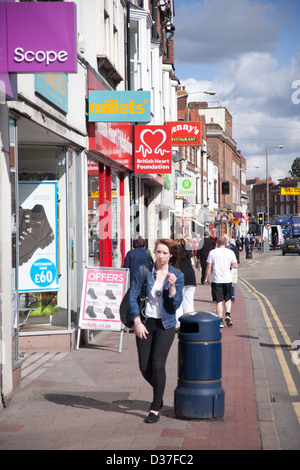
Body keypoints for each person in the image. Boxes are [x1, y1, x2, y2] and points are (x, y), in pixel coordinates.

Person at [129, 239, 184, 423]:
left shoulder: (177, 275)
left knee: (158, 365)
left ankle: (155, 408)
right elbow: (132, 296)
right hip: (145, 322)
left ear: (170, 256)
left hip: (165, 325)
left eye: (164, 253)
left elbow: (175, 305)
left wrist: (172, 288)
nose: (160, 256)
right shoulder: (144, 271)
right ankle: (159, 394)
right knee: (144, 367)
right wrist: (137, 321)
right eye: (158, 252)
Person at [203, 235, 238, 328]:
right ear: (226, 243)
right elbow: (235, 266)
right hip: (228, 279)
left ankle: (220, 321)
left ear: (217, 243)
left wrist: (206, 278)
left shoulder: (213, 252)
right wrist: (234, 278)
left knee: (219, 301)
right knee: (228, 299)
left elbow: (208, 266)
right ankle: (228, 315)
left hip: (216, 280)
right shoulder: (230, 252)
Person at [175, 238, 196, 328]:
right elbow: (192, 264)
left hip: (179, 278)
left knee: (178, 303)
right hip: (191, 277)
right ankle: (189, 322)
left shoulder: (174, 252)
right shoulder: (188, 250)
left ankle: (178, 324)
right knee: (189, 302)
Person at [223, 233, 239, 302]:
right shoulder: (221, 247)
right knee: (224, 282)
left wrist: (235, 265)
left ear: (229, 239)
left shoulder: (233, 247)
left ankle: (232, 296)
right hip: (224, 268)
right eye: (224, 238)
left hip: (232, 268)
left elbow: (236, 256)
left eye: (226, 238)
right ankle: (225, 295)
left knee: (232, 283)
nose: (225, 240)